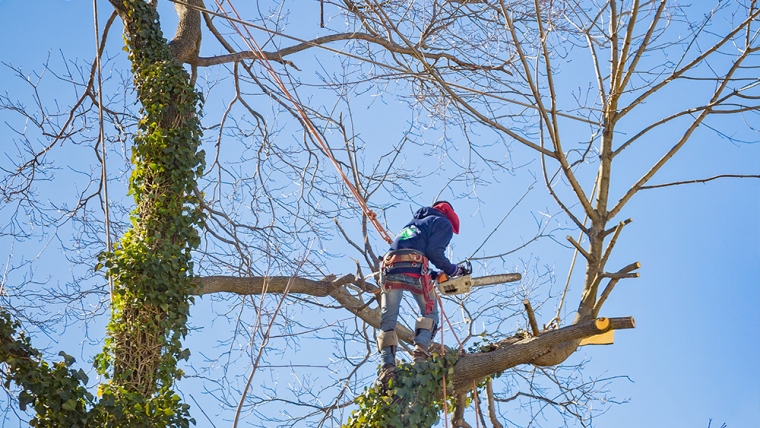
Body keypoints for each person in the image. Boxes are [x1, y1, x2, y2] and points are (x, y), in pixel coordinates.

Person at [376, 200, 464, 386]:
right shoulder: (443, 223)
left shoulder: (413, 224)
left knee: (388, 320)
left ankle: (387, 367)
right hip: (414, 268)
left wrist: (433, 274)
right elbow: (434, 252)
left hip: (391, 268)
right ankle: (420, 352)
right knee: (431, 312)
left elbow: (408, 258)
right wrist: (453, 270)